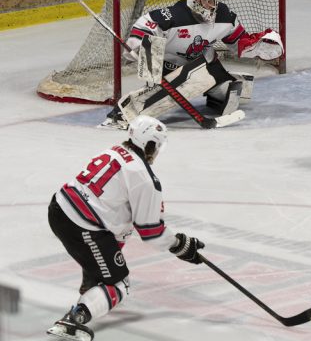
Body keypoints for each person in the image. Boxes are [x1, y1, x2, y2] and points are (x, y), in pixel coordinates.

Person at [46, 116, 205, 340]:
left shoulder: (114, 151)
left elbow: (115, 223)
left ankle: (92, 284)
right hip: (82, 226)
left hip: (58, 208)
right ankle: (74, 319)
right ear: (151, 145)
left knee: (106, 244)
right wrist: (180, 245)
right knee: (120, 284)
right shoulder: (144, 178)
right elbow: (151, 232)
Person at [103, 0, 283, 129]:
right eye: (207, 2)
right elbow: (146, 25)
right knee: (186, 82)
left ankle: (209, 93)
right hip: (168, 68)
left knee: (235, 91)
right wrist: (139, 45)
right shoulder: (173, 16)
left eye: (213, 2)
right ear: (195, 0)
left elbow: (239, 42)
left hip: (204, 64)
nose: (212, 7)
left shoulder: (224, 16)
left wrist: (258, 47)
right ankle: (123, 113)